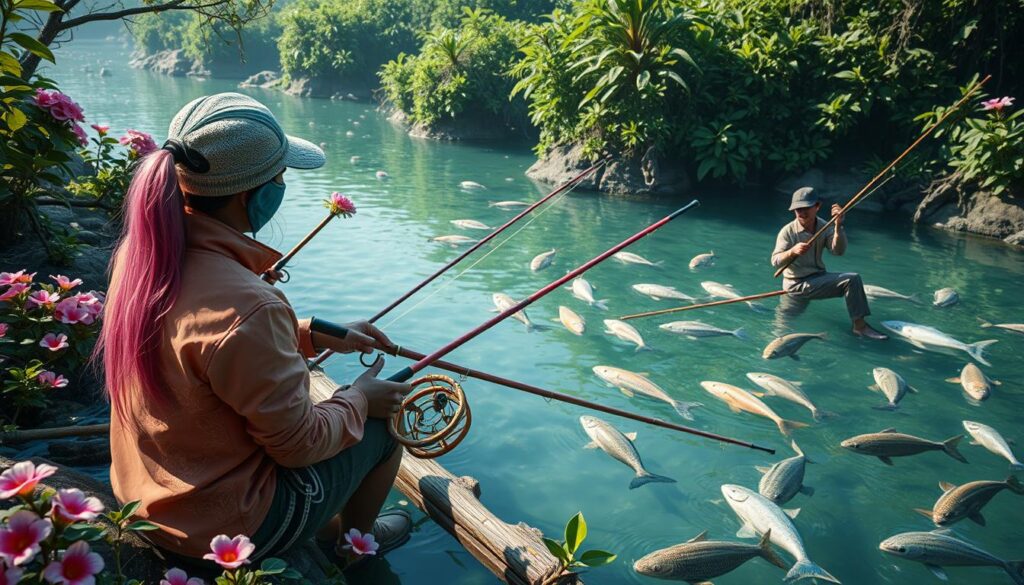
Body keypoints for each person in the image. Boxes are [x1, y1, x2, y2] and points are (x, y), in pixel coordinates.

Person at [95, 92, 414, 568]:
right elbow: (298, 446)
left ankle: (326, 521)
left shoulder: (142, 258)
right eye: (280, 178)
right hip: (224, 529)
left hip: (147, 498)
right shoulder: (249, 307)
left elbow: (205, 351)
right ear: (255, 195)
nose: (283, 187)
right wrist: (361, 399)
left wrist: (314, 332)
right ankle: (351, 547)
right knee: (384, 426)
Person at [770, 187, 888, 340]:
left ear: (817, 206)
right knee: (781, 331)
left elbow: (838, 251)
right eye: (798, 209)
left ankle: (860, 327)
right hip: (796, 284)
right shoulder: (787, 232)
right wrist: (792, 251)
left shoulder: (825, 226)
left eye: (806, 208)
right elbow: (775, 261)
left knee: (852, 280)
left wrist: (838, 226)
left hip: (817, 279)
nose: (801, 212)